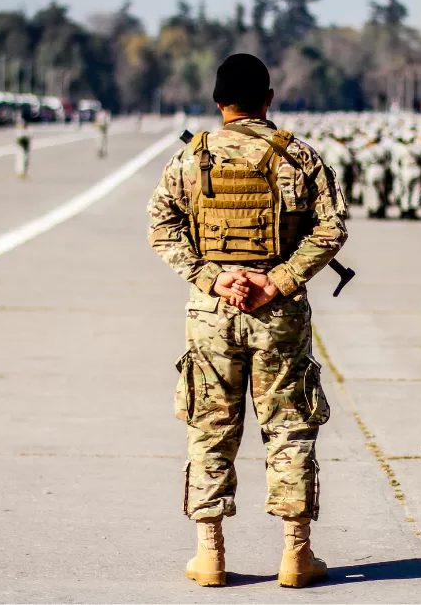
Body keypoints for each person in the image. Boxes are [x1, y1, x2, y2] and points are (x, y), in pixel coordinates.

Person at [146, 53, 346, 589]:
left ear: (218, 103)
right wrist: (276, 280)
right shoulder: (299, 157)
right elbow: (330, 231)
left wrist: (213, 278)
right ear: (268, 100)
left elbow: (161, 228)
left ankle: (209, 555)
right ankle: (295, 556)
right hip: (277, 313)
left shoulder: (191, 158)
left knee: (209, 426)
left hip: (212, 314)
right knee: (289, 427)